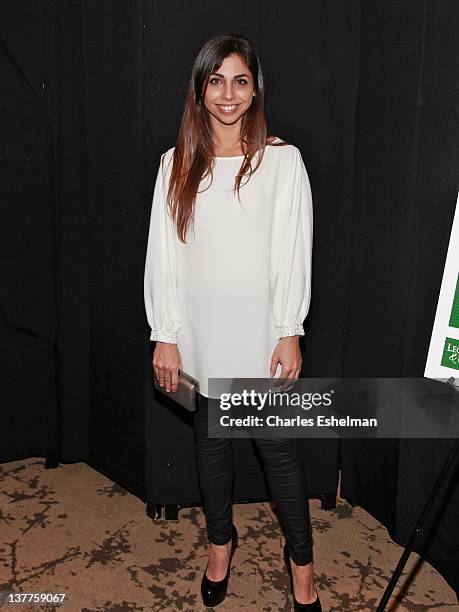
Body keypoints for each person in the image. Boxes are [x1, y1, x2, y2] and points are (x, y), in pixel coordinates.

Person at [144, 33, 321, 611]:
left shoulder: (282, 162)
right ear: (199, 89)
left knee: (280, 455)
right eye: (215, 80)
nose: (228, 94)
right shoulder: (176, 166)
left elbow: (295, 251)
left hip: (259, 338)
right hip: (201, 337)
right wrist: (164, 334)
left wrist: (289, 329)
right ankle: (221, 545)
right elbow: (163, 254)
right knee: (211, 448)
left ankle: (303, 567)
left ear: (255, 88)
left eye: (240, 80)